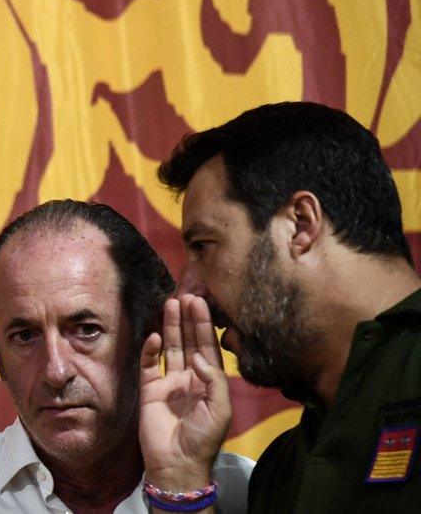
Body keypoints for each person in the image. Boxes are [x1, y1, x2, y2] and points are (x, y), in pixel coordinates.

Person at [0, 200, 253, 513]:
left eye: (86, 330)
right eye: (24, 336)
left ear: (149, 330)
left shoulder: (251, 495)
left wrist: (181, 487)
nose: (55, 370)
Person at [155, 101, 421, 511]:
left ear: (300, 223)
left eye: (204, 246)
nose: (188, 291)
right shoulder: (282, 470)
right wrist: (182, 476)